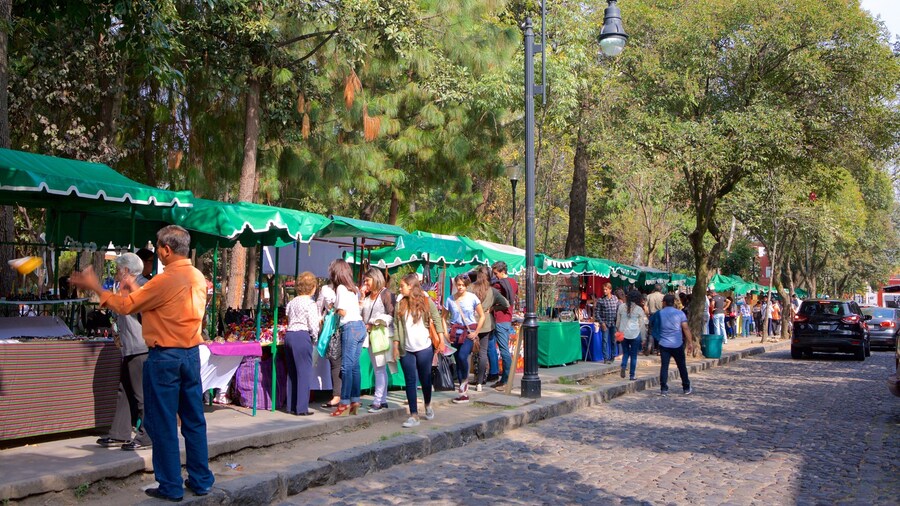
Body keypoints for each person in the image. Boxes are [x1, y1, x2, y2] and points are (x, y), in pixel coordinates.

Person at [70, 225, 214, 501]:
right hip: (190, 354)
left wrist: (94, 286)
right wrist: (134, 286)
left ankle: (171, 486)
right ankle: (201, 479)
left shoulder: (165, 279)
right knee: (194, 421)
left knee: (162, 423)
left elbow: (126, 307)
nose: (157, 253)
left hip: (165, 357)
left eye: (158, 248)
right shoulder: (196, 276)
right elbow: (160, 303)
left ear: (166, 250)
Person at [96, 253, 152, 451]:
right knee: (125, 389)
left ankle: (147, 436)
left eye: (118, 270)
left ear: (127, 271)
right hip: (130, 346)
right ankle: (119, 432)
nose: (116, 273)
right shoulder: (125, 287)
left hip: (140, 346)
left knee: (141, 393)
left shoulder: (142, 286)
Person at [393, 273, 446, 428]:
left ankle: (428, 404)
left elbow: (436, 320)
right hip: (406, 349)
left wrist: (441, 340)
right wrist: (396, 345)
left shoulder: (426, 302)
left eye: (402, 285)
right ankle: (414, 415)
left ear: (411, 286)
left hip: (424, 347)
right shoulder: (400, 303)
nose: (400, 288)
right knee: (410, 381)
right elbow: (396, 325)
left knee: (425, 379)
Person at [329, 259, 366, 417]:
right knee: (355, 367)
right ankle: (355, 400)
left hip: (350, 327)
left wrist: (334, 309)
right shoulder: (354, 289)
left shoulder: (341, 289)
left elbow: (342, 311)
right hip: (360, 326)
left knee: (346, 367)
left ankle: (344, 403)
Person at [445, 275, 485, 403]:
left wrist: (476, 332)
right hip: (455, 332)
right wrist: (446, 333)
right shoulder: (450, 299)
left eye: (462, 285)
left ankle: (464, 384)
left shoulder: (472, 298)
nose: (460, 287)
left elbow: (482, 316)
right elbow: (443, 317)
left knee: (463, 356)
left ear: (466, 285)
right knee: (457, 360)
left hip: (468, 332)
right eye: (458, 285)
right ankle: (463, 388)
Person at [284, 271, 319, 416]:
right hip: (302, 335)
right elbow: (313, 324)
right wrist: (314, 338)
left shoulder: (292, 301)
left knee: (292, 372)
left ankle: (291, 405)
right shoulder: (310, 303)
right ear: (312, 287)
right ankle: (301, 408)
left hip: (290, 335)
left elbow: (287, 317)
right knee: (304, 372)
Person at [361, 267, 394, 413]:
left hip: (380, 335)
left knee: (379, 369)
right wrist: (361, 296)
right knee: (378, 369)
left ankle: (377, 401)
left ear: (375, 279)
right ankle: (383, 400)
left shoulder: (385, 294)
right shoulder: (367, 297)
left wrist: (375, 321)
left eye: (367, 280)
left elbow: (392, 315)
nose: (365, 283)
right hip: (369, 336)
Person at [471, 268, 508, 392]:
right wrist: (492, 308)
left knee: (467, 352)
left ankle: (463, 381)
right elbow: (506, 304)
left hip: (471, 324)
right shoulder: (492, 291)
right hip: (486, 324)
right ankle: (480, 383)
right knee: (483, 353)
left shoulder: (471, 289)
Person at [655, 294, 694, 396]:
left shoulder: (659, 314)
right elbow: (685, 328)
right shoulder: (680, 314)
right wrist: (690, 342)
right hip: (677, 343)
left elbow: (655, 327)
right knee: (681, 366)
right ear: (673, 302)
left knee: (664, 367)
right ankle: (686, 387)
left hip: (664, 344)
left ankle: (663, 389)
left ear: (664, 303)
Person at [491, 261, 518, 390]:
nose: (495, 276)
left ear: (502, 271)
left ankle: (507, 380)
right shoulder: (513, 282)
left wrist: (492, 308)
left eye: (496, 273)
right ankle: (503, 379)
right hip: (506, 319)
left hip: (501, 319)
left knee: (504, 351)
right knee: (503, 350)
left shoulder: (499, 285)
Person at [316, 280, 341, 409]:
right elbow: (318, 307)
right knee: (334, 360)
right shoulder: (326, 289)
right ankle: (337, 394)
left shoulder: (349, 288)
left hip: (347, 326)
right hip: (332, 329)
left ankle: (345, 395)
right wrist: (320, 319)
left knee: (346, 363)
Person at [616, 289, 647, 381]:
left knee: (625, 353)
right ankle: (632, 375)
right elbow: (642, 325)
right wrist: (643, 338)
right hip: (635, 334)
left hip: (623, 333)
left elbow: (618, 321)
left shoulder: (621, 307)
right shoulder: (639, 309)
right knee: (634, 355)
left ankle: (623, 365)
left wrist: (618, 330)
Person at [593, 282, 620, 364]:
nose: (604, 291)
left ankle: (612, 357)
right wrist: (602, 323)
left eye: (606, 289)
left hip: (614, 324)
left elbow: (618, 311)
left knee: (614, 341)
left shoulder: (615, 299)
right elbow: (596, 313)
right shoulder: (600, 300)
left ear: (610, 290)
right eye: (603, 289)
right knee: (604, 341)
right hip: (605, 323)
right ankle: (605, 358)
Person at [645, 284, 664, 355]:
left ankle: (649, 346)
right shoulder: (663, 296)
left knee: (650, 332)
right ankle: (659, 350)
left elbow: (645, 307)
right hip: (661, 316)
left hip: (652, 315)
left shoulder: (649, 296)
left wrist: (648, 315)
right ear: (660, 290)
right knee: (660, 332)